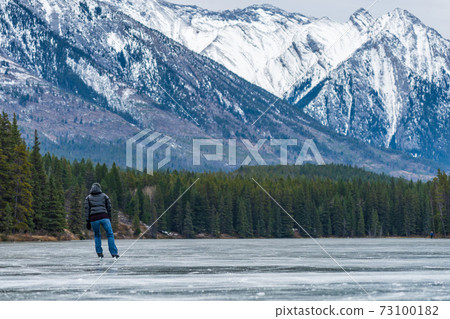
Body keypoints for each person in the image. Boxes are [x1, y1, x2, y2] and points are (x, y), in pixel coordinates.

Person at [85, 183, 119, 260]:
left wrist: (88, 221)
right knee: (110, 234)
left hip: (93, 218)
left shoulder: (88, 198)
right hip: (104, 217)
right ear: (99, 188)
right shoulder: (104, 196)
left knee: (97, 235)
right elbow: (109, 207)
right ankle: (114, 253)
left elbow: (87, 210)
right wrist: (109, 218)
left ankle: (99, 253)